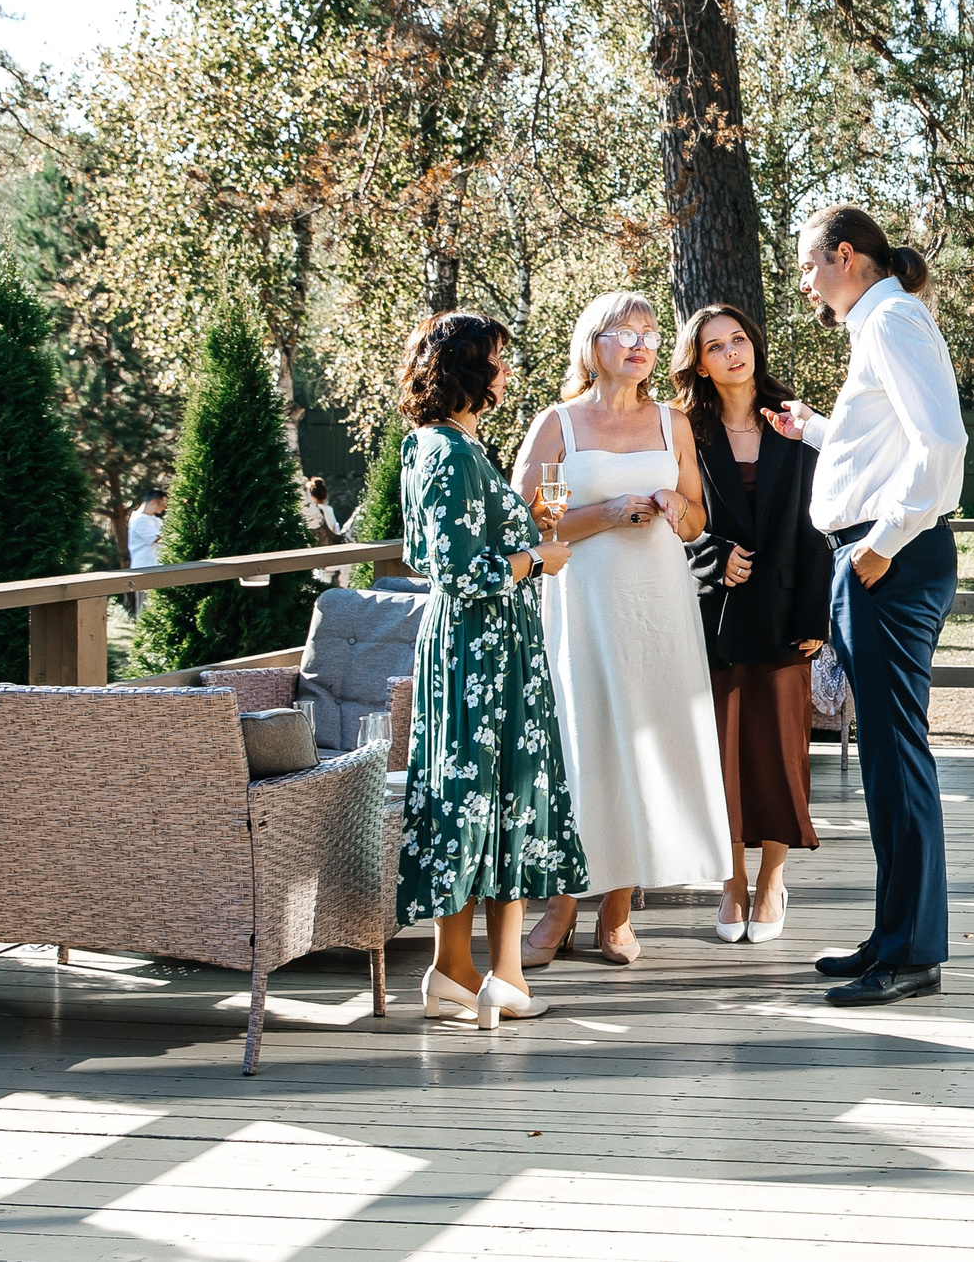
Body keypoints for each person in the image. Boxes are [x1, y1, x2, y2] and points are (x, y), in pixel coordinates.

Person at [777, 206, 965, 1007]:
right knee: (886, 759)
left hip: (890, 561)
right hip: (872, 557)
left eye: (810, 267)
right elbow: (886, 444)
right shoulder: (882, 321)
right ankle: (893, 936)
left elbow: (943, 443)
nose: (807, 285)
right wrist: (817, 430)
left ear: (844, 256)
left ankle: (912, 951)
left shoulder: (891, 318)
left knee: (897, 757)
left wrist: (881, 543)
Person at [512, 291, 731, 966]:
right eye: (623, 332)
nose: (639, 344)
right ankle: (561, 908)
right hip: (584, 601)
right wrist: (606, 512)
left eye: (648, 333)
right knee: (585, 744)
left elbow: (696, 521)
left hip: (659, 606)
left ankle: (618, 911)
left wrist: (672, 504)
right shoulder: (559, 424)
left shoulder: (674, 423)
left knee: (645, 743)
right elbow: (527, 524)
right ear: (592, 343)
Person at [391, 311, 585, 1029]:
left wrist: (523, 526)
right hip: (480, 649)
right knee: (492, 795)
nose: (506, 373)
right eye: (497, 361)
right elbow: (453, 569)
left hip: (483, 645)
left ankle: (457, 971)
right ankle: (485, 974)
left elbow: (431, 552)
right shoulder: (450, 452)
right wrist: (538, 557)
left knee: (478, 796)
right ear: (468, 369)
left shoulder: (441, 446)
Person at [669, 304, 832, 945]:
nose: (734, 353)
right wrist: (709, 554)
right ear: (699, 363)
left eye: (739, 340)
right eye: (716, 346)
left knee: (782, 752)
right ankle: (731, 881)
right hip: (713, 613)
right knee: (723, 753)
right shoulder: (685, 430)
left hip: (788, 609)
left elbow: (824, 521)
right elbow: (671, 513)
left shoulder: (795, 419)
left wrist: (816, 613)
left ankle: (772, 880)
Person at [125, 488, 166, 615]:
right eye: (163, 504)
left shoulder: (154, 519)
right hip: (144, 568)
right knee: (144, 608)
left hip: (155, 568)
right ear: (154, 502)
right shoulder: (139, 519)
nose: (164, 508)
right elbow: (158, 537)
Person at [302, 476, 343, 583]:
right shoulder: (328, 510)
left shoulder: (310, 514)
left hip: (315, 558)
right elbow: (335, 530)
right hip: (330, 558)